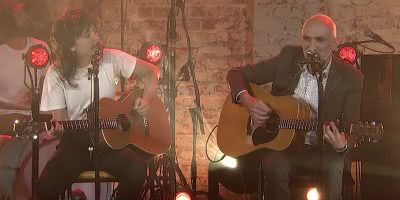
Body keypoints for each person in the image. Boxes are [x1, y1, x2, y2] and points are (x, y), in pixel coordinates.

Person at [224, 14, 363, 200]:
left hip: (324, 149)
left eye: (319, 40)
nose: (311, 46)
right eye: (306, 38)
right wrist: (248, 101)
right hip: (285, 146)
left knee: (334, 163)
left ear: (334, 43)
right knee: (274, 163)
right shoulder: (288, 57)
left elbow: (351, 126)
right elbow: (236, 74)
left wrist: (342, 143)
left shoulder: (351, 77)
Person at [38, 9, 159, 200]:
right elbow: (59, 121)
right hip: (76, 146)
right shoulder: (56, 73)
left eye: (94, 31)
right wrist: (57, 128)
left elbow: (152, 72)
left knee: (137, 170)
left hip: (110, 144)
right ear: (71, 47)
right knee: (45, 189)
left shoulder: (112, 58)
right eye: (88, 35)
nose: (96, 37)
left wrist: (144, 101)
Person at [0, 0, 49, 198]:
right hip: (7, 116)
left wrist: (39, 93)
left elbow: (52, 82)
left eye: (25, 12)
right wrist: (19, 104)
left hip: (37, 116)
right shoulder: (1, 53)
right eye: (19, 13)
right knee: (21, 133)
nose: (25, 16)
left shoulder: (41, 48)